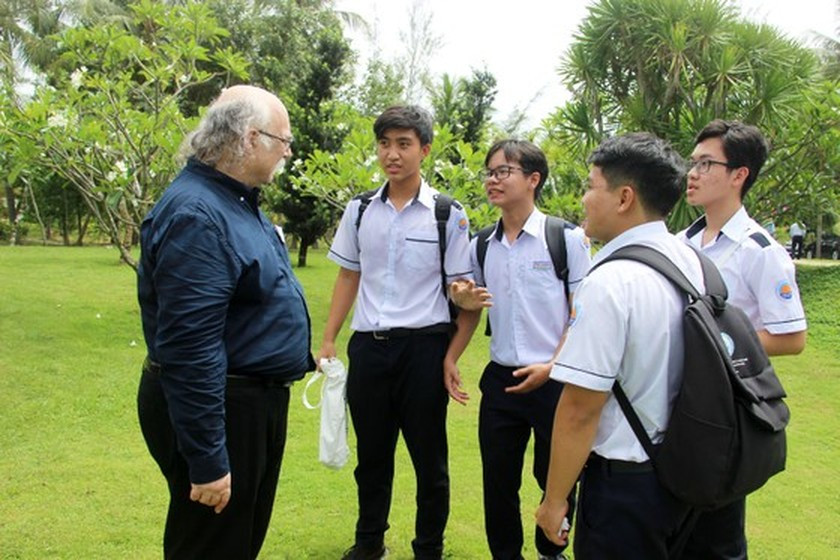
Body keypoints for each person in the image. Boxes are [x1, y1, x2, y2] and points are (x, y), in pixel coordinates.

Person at [136, 85, 315, 560]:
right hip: (225, 406)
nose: (288, 151)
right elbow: (190, 348)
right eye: (283, 140)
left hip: (251, 404)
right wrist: (209, 460)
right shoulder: (198, 213)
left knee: (237, 541)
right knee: (211, 545)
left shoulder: (236, 202)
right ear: (249, 138)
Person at [319, 105, 474, 560]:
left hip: (424, 349)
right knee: (372, 458)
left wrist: (466, 298)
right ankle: (369, 543)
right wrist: (329, 338)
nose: (393, 154)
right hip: (369, 348)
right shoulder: (360, 209)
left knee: (430, 461)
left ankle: (429, 548)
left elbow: (459, 285)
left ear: (424, 150)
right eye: (385, 144)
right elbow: (349, 275)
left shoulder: (448, 214)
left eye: (404, 144)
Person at [535, 132, 701, 559]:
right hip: (687, 469)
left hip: (627, 485)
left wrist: (555, 500)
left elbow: (580, 409)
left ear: (624, 197)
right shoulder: (694, 262)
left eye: (592, 185)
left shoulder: (610, 281)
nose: (584, 197)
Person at [447, 139, 590, 560]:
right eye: (489, 172)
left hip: (556, 379)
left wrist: (552, 364)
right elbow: (472, 304)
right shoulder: (482, 244)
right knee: (499, 481)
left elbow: (580, 313)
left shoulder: (565, 238)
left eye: (503, 171)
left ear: (533, 179)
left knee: (558, 477)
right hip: (502, 380)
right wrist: (452, 352)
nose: (493, 179)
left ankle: (551, 551)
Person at [678, 119, 807, 559]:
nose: (692, 173)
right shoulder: (683, 242)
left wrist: (720, 341)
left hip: (725, 409)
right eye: (692, 162)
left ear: (739, 175)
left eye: (706, 163)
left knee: (719, 536)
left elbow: (791, 336)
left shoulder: (759, 250)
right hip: (677, 401)